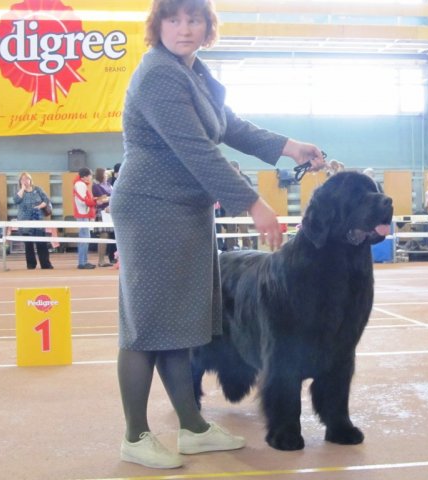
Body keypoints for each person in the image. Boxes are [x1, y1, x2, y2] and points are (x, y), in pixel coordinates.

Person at [110, 0, 325, 470]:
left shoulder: (195, 73)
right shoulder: (159, 76)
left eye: (194, 19)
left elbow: (231, 127)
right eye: (173, 18)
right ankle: (135, 434)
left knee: (179, 324)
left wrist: (290, 147)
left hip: (185, 210)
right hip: (150, 210)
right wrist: (252, 203)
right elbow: (197, 151)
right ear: (157, 26)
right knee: (145, 327)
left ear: (208, 27)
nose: (184, 28)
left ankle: (192, 428)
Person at [13, 172, 53, 270]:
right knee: (28, 244)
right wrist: (22, 189)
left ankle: (45, 264)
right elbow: (16, 200)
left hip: (38, 218)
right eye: (23, 179)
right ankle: (31, 265)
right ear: (20, 182)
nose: (25, 181)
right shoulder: (19, 192)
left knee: (41, 243)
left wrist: (39, 206)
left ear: (30, 180)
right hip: (24, 221)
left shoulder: (38, 189)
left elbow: (46, 200)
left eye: (27, 179)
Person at [73, 167, 97, 270]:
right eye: (90, 175)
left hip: (83, 214)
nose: (91, 177)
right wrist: (95, 201)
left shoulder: (80, 184)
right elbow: (83, 200)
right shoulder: (80, 185)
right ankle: (82, 262)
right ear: (85, 177)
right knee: (85, 238)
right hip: (82, 214)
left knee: (85, 238)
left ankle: (84, 261)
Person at [91, 167, 115, 267]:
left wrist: (108, 198)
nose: (107, 175)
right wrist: (112, 198)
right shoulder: (96, 186)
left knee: (108, 236)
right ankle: (101, 260)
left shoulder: (109, 184)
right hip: (102, 213)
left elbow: (106, 198)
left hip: (110, 212)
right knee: (103, 236)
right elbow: (101, 200)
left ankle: (105, 260)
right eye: (105, 174)